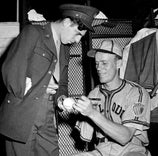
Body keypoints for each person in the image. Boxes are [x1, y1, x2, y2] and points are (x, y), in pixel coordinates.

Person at [0, 3, 99, 156]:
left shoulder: (65, 49)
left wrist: (61, 99)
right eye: (77, 34)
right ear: (67, 23)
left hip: (47, 114)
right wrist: (39, 88)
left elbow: (63, 84)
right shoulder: (33, 32)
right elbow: (11, 71)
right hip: (23, 112)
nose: (78, 41)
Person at [71, 39, 151, 156]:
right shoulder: (94, 94)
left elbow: (125, 137)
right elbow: (85, 137)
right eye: (97, 63)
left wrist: (92, 113)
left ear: (118, 63)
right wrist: (75, 107)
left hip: (131, 150)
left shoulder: (137, 92)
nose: (98, 68)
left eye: (104, 63)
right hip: (101, 149)